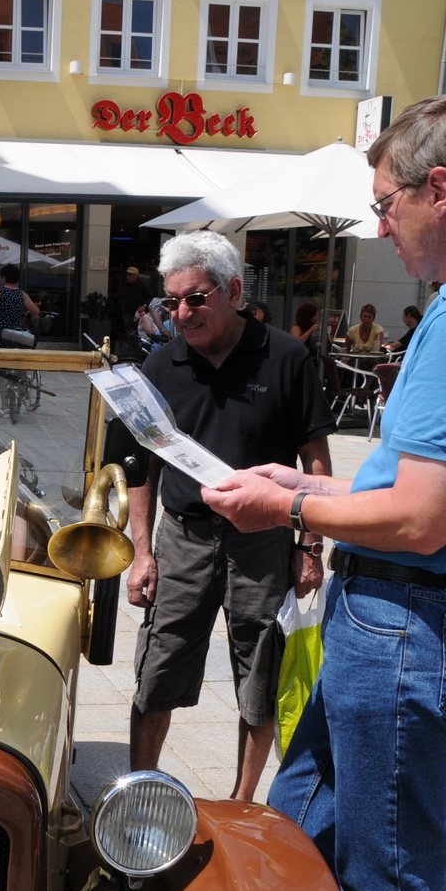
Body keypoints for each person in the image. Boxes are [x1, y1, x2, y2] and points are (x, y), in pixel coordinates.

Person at [203, 95, 446, 891]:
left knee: (387, 861)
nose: (380, 224)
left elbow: (425, 515)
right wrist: (300, 483)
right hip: (380, 613)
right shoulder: (445, 308)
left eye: (386, 201)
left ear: (439, 191)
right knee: (297, 830)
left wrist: (295, 502)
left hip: (405, 615)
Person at [127, 231, 334, 803]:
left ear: (235, 291)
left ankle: (241, 806)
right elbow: (141, 466)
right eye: (171, 302)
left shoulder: (286, 357)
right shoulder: (161, 363)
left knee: (260, 675)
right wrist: (142, 552)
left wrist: (310, 547)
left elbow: (316, 459)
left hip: (264, 543)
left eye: (195, 298)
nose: (181, 313)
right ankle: (140, 790)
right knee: (158, 670)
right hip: (184, 539)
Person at [0, 265, 39, 416]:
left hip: (0, 334)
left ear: (3, 278)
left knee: (2, 371)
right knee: (17, 363)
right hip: (17, 334)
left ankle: (5, 407)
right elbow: (36, 311)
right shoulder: (22, 294)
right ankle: (22, 383)